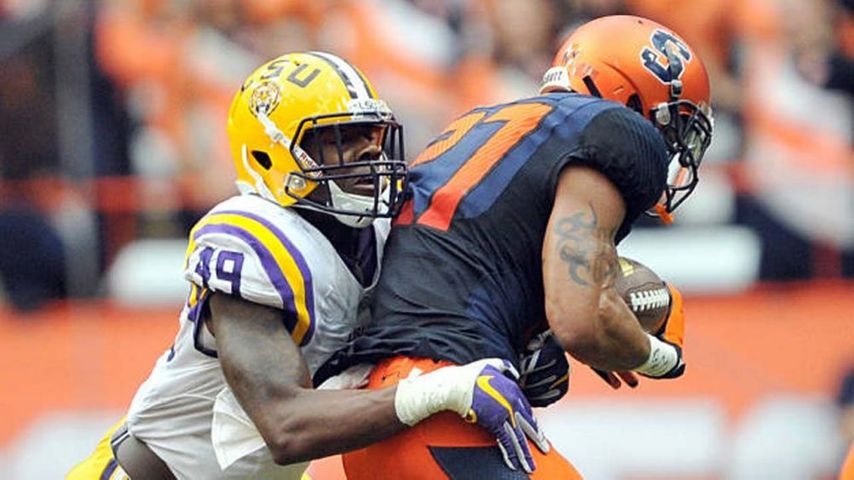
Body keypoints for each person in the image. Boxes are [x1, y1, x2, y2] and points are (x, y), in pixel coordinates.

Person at [67, 51, 548, 480]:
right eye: (340, 138)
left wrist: (514, 350)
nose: (369, 151)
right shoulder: (254, 238)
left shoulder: (380, 234)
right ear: (268, 154)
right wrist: (440, 391)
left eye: (371, 134)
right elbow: (284, 425)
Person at [315, 15, 713, 479]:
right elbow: (580, 321)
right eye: (675, 124)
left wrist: (529, 345)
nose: (673, 146)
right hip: (447, 409)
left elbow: (460, 270)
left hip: (381, 414)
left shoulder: (479, 124)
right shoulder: (617, 132)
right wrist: (657, 356)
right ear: (631, 97)